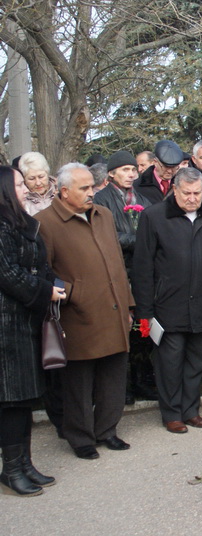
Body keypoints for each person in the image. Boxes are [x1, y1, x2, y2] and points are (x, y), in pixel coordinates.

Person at [36, 163, 134, 460]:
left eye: (93, 186)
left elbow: (117, 263)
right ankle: (80, 437)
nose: (92, 192)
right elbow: (42, 272)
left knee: (114, 374)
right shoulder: (45, 222)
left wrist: (129, 304)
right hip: (76, 314)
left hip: (114, 308)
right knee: (78, 381)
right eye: (85, 188)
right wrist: (74, 291)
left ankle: (107, 430)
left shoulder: (103, 215)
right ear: (64, 192)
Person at [131, 167, 202, 433]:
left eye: (197, 193)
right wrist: (145, 310)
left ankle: (191, 410)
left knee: (196, 362)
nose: (192, 198)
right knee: (170, 363)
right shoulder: (154, 217)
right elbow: (143, 267)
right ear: (174, 190)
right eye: (186, 193)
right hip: (167, 304)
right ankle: (172, 413)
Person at [0, 166, 64, 496]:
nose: (26, 188)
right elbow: (7, 273)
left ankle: (24, 463)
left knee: (24, 398)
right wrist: (44, 292)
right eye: (19, 184)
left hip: (25, 322)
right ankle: (11, 469)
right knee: (11, 400)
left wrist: (55, 283)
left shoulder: (21, 222)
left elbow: (40, 263)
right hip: (6, 326)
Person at [94, 150, 156, 405]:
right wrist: (137, 240)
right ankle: (123, 386)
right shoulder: (101, 199)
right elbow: (105, 236)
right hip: (116, 273)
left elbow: (154, 230)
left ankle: (142, 381)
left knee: (141, 328)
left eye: (133, 169)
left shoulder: (143, 199)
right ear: (111, 173)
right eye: (125, 170)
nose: (131, 174)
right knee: (120, 330)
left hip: (140, 272)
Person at [133, 140, 184, 205]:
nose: (169, 171)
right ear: (155, 162)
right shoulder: (137, 186)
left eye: (174, 167)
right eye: (165, 167)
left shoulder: (182, 184)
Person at [18, 152, 57, 217]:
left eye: (41, 177)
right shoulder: (21, 201)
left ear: (47, 174)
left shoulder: (62, 193)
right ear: (24, 179)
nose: (38, 183)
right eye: (32, 179)